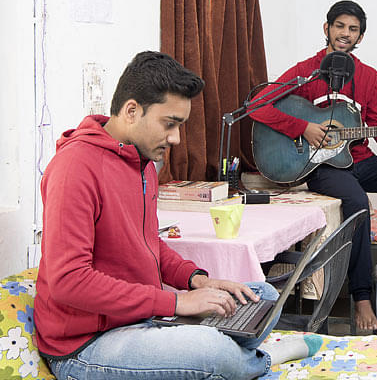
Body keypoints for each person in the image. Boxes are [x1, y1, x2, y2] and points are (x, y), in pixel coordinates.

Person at [34, 51, 321, 380]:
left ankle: (227, 356)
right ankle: (260, 360)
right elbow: (69, 282)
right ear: (132, 111)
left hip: (140, 319)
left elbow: (147, 242)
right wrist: (175, 304)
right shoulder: (75, 168)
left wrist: (196, 280)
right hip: (86, 345)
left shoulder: (142, 162)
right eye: (169, 124)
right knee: (213, 351)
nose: (176, 138)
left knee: (261, 296)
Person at [249, 1, 377, 332]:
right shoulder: (306, 71)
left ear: (360, 37)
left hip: (360, 161)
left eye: (353, 29)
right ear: (327, 29)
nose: (345, 34)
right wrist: (303, 128)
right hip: (323, 167)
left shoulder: (370, 77)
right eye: (340, 26)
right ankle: (362, 295)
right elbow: (257, 106)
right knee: (357, 203)